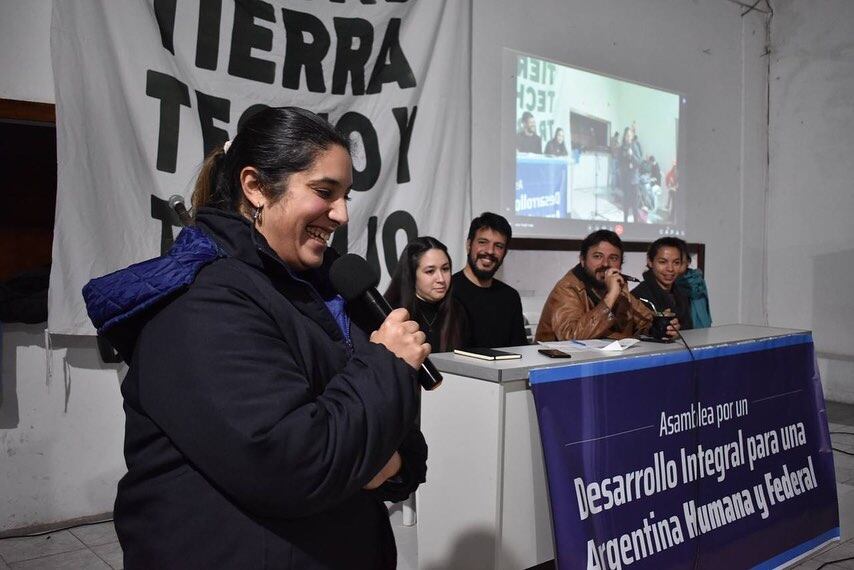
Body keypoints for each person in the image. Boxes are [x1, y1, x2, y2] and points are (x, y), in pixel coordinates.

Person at [82, 107, 428, 569]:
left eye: (346, 196)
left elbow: (403, 443)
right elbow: (296, 463)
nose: (342, 214)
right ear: (256, 186)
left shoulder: (323, 291)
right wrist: (384, 368)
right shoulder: (201, 303)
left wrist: (385, 464)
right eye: (325, 192)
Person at [535, 230, 679, 341]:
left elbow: (645, 321)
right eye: (597, 256)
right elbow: (571, 336)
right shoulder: (567, 288)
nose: (605, 264)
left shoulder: (617, 284)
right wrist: (610, 297)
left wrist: (663, 327)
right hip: (559, 368)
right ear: (583, 260)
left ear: (620, 264)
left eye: (613, 258)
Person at [452, 212, 528, 348]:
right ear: (469, 245)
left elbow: (521, 351)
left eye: (498, 246)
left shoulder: (510, 297)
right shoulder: (447, 291)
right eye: (483, 242)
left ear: (504, 253)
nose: (490, 251)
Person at [385, 236, 469, 352]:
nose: (441, 279)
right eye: (430, 271)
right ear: (412, 275)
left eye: (445, 269)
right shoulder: (391, 312)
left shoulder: (458, 310)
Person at [630, 237, 693, 330]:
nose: (670, 269)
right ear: (650, 262)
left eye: (676, 263)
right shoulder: (638, 297)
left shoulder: (681, 293)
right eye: (663, 262)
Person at [676, 249, 713, 328]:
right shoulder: (669, 282)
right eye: (676, 262)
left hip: (701, 323)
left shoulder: (697, 278)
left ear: (688, 262)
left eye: (680, 262)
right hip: (680, 325)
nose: (678, 266)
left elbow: (705, 303)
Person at [619, 127, 643, 223]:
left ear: (632, 136)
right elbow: (619, 162)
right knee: (625, 203)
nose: (628, 137)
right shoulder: (621, 148)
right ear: (624, 136)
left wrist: (632, 155)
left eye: (629, 135)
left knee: (634, 205)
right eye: (626, 135)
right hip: (625, 179)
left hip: (634, 180)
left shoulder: (635, 146)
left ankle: (635, 224)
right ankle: (625, 222)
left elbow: (639, 162)